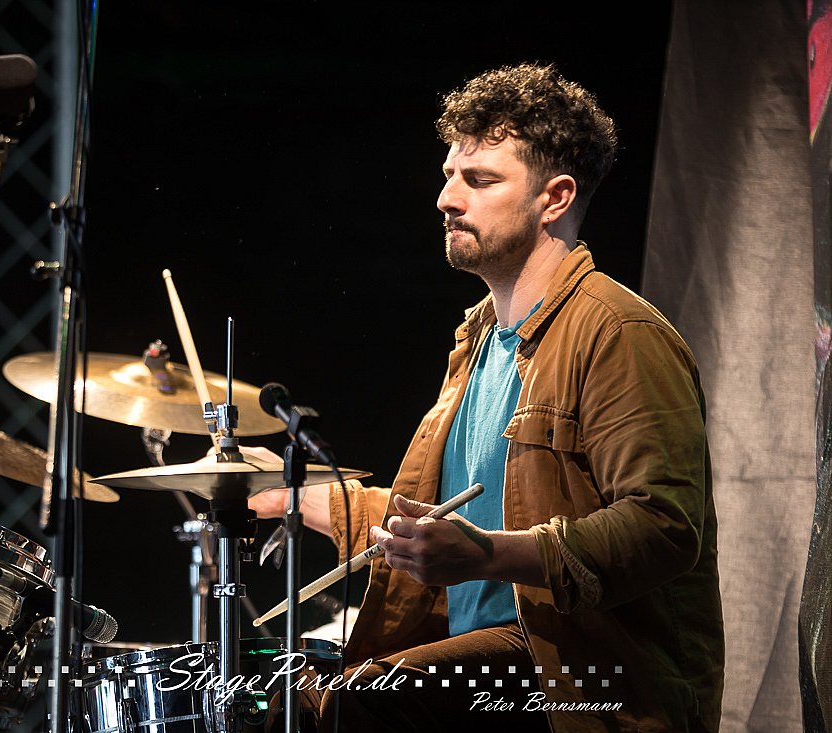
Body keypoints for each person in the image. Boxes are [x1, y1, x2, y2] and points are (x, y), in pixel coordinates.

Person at [249, 62, 724, 732]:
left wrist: (486, 556)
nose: (447, 198)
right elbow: (461, 516)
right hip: (498, 662)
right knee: (271, 691)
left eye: (478, 180)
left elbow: (664, 527)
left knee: (346, 704)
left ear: (555, 198)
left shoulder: (619, 332)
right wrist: (291, 497)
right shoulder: (477, 340)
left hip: (581, 678)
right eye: (450, 175)